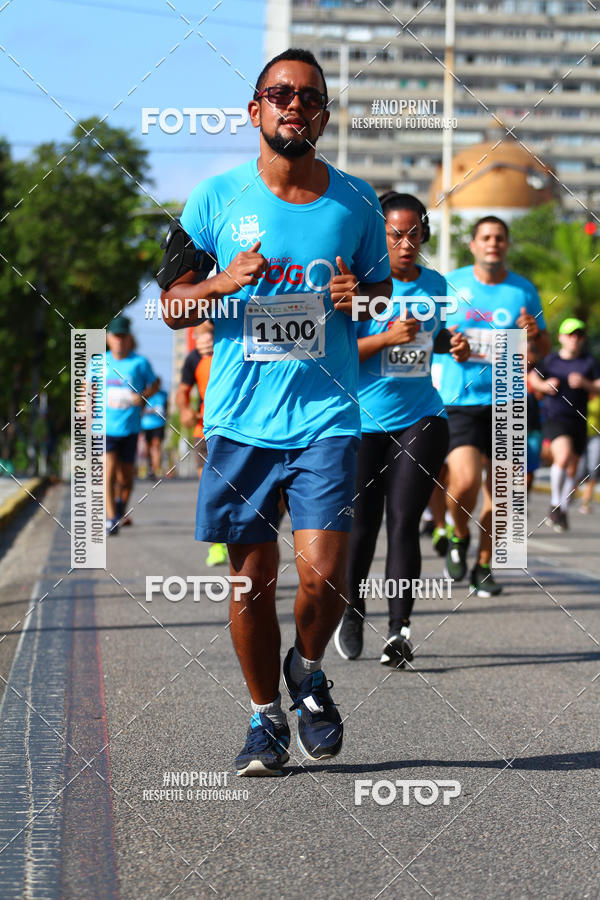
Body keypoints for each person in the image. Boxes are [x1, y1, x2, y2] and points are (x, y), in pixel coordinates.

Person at [159, 48, 392, 776]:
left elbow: (382, 297)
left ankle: (310, 671)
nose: (295, 104)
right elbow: (171, 307)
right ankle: (265, 719)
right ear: (255, 109)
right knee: (251, 583)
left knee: (326, 575)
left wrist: (365, 302)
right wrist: (223, 280)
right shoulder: (213, 199)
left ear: (323, 114)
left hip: (327, 415)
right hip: (240, 420)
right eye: (280, 93)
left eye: (310, 96)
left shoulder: (357, 203)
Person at [334, 192, 469, 665]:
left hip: (422, 416)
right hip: (362, 421)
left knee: (404, 523)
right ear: (381, 237)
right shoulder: (362, 287)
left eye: (414, 233)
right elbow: (337, 356)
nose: (406, 243)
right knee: (363, 527)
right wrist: (387, 337)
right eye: (395, 234)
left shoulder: (435, 284)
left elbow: (437, 342)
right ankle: (351, 612)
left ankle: (399, 631)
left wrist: (457, 345)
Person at [437, 216, 550, 596]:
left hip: (509, 398)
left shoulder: (523, 291)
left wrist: (534, 337)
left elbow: (541, 349)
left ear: (507, 244)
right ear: (472, 244)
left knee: (505, 492)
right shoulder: (451, 284)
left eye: (499, 238)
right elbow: (430, 335)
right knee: (465, 482)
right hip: (460, 398)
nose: (493, 243)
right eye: (485, 237)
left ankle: (484, 565)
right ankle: (458, 532)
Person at [528, 317, 600, 531]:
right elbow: (533, 377)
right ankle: (554, 504)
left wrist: (585, 383)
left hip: (579, 419)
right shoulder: (550, 361)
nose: (575, 339)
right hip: (555, 417)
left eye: (579, 335)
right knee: (564, 456)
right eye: (571, 335)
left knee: (573, 469)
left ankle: (561, 508)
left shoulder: (589, 362)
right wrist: (545, 385)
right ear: (561, 337)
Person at [177, 322, 228, 567]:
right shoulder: (193, 359)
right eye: (201, 333)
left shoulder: (232, 349)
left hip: (237, 429)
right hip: (204, 431)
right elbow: (182, 391)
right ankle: (217, 545)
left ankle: (240, 539)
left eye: (210, 332)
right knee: (209, 487)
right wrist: (184, 409)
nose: (206, 338)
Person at [104, 315, 158, 535]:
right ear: (108, 338)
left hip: (131, 428)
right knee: (107, 473)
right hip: (105, 428)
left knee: (126, 478)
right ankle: (109, 519)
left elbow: (155, 384)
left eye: (123, 337)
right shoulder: (99, 363)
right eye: (115, 337)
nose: (119, 341)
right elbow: (85, 389)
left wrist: (143, 396)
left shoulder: (139, 363)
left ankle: (119, 509)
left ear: (129, 339)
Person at [141, 377, 168, 480]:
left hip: (159, 423)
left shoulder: (164, 394)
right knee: (148, 447)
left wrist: (164, 413)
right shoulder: (146, 394)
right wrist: (150, 411)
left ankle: (154, 470)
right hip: (146, 424)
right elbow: (141, 408)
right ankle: (149, 467)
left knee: (156, 445)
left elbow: (166, 408)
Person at [578, 393, 600, 515]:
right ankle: (565, 497)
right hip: (578, 433)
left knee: (594, 468)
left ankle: (585, 501)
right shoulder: (579, 394)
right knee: (579, 469)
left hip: (596, 435)